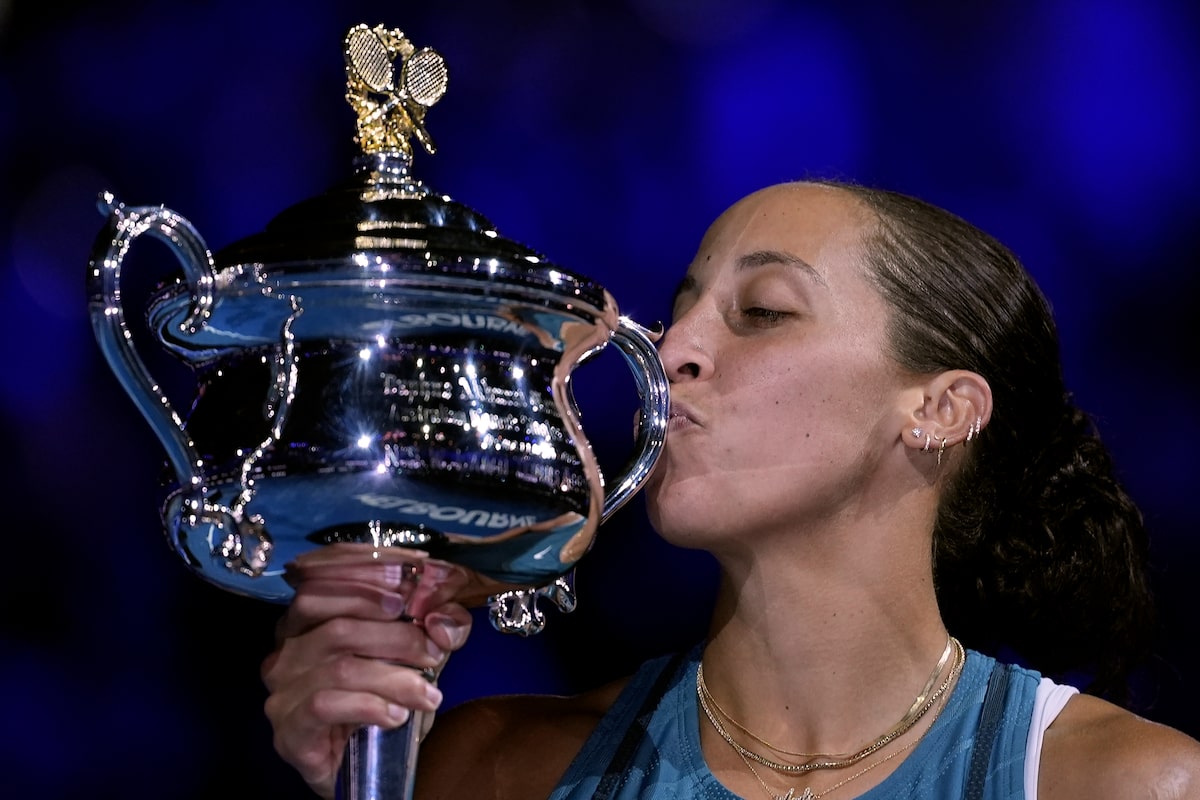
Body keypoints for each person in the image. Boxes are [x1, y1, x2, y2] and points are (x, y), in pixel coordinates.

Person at [261, 180, 1200, 799]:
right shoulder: (494, 769)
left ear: (941, 409)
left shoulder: (1127, 782)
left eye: (762, 314)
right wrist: (359, 780)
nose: (670, 357)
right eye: (677, 316)